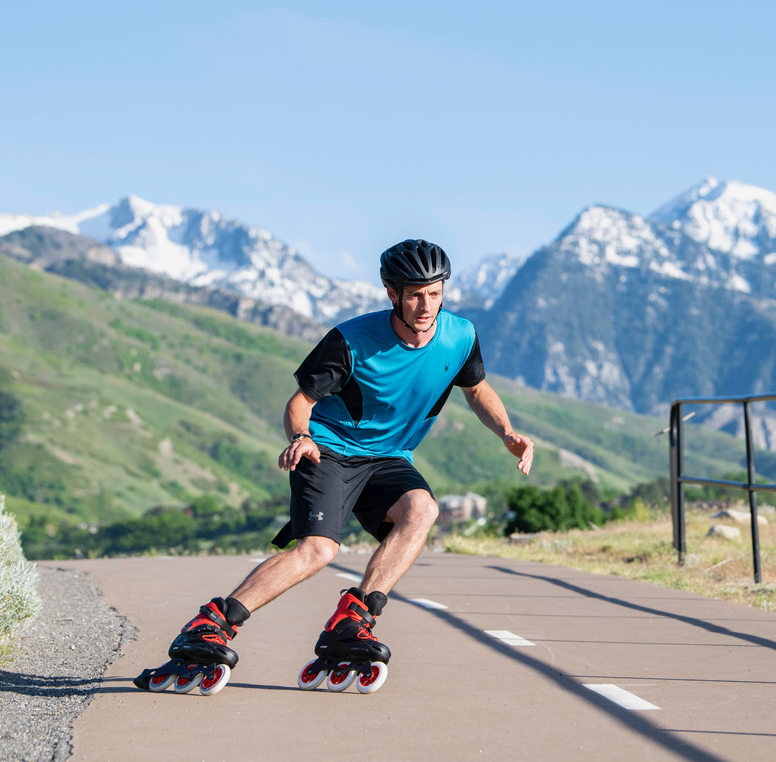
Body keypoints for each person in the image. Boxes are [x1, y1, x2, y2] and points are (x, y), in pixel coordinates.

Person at [135, 239, 534, 694]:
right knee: (318, 551)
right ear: (392, 293)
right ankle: (212, 625)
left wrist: (507, 432)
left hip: (389, 458)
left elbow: (477, 389)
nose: (427, 305)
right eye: (415, 294)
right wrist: (300, 438)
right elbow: (300, 402)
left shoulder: (460, 335)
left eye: (435, 293)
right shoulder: (352, 340)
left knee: (422, 510)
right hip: (328, 449)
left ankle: (354, 619)